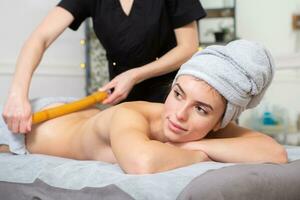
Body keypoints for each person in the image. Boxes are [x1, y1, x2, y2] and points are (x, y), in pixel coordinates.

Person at [0, 40, 288, 174]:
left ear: (220, 123)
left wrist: (192, 148)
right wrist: (200, 154)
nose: (179, 114)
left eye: (200, 109)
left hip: (80, 116)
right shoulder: (129, 114)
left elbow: (274, 153)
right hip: (31, 128)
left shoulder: (209, 127)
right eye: (177, 94)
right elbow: (143, 162)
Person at [2, 0, 206, 134]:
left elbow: (188, 47)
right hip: (124, 105)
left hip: (170, 100)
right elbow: (40, 38)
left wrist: (134, 75)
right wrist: (17, 95)